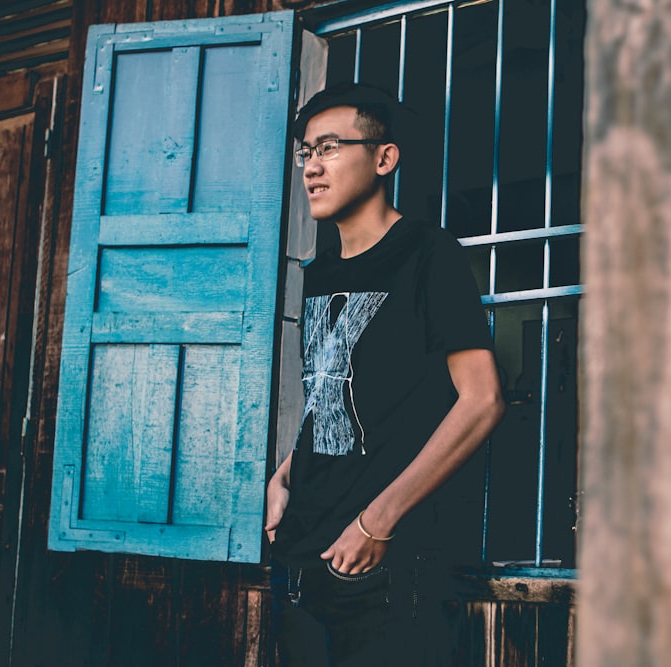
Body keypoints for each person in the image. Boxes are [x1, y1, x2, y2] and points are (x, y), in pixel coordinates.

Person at [264, 81, 505, 666]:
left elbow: (483, 401)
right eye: (305, 152)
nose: (312, 167)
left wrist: (378, 521)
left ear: (384, 157)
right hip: (302, 555)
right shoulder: (318, 271)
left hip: (387, 566)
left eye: (329, 147)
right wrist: (284, 478)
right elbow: (335, 399)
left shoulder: (429, 255)